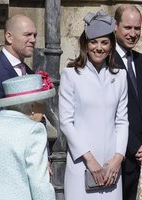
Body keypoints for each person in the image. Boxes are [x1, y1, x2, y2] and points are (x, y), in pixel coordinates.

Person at [59, 11, 128, 200]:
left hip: (111, 166)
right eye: (93, 42)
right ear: (86, 45)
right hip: (82, 162)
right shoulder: (71, 75)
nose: (99, 48)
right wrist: (89, 159)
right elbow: (66, 122)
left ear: (111, 46)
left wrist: (118, 157)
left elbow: (122, 121)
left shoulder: (119, 76)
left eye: (104, 42)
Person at [0, 14, 36, 119]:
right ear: (9, 37)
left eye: (35, 35)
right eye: (27, 34)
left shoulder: (29, 72)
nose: (33, 40)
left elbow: (39, 113)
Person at [114, 4, 142, 200]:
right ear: (115, 26)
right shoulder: (105, 60)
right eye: (128, 28)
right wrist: (134, 146)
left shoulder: (141, 60)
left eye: (137, 28)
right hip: (117, 155)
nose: (133, 34)